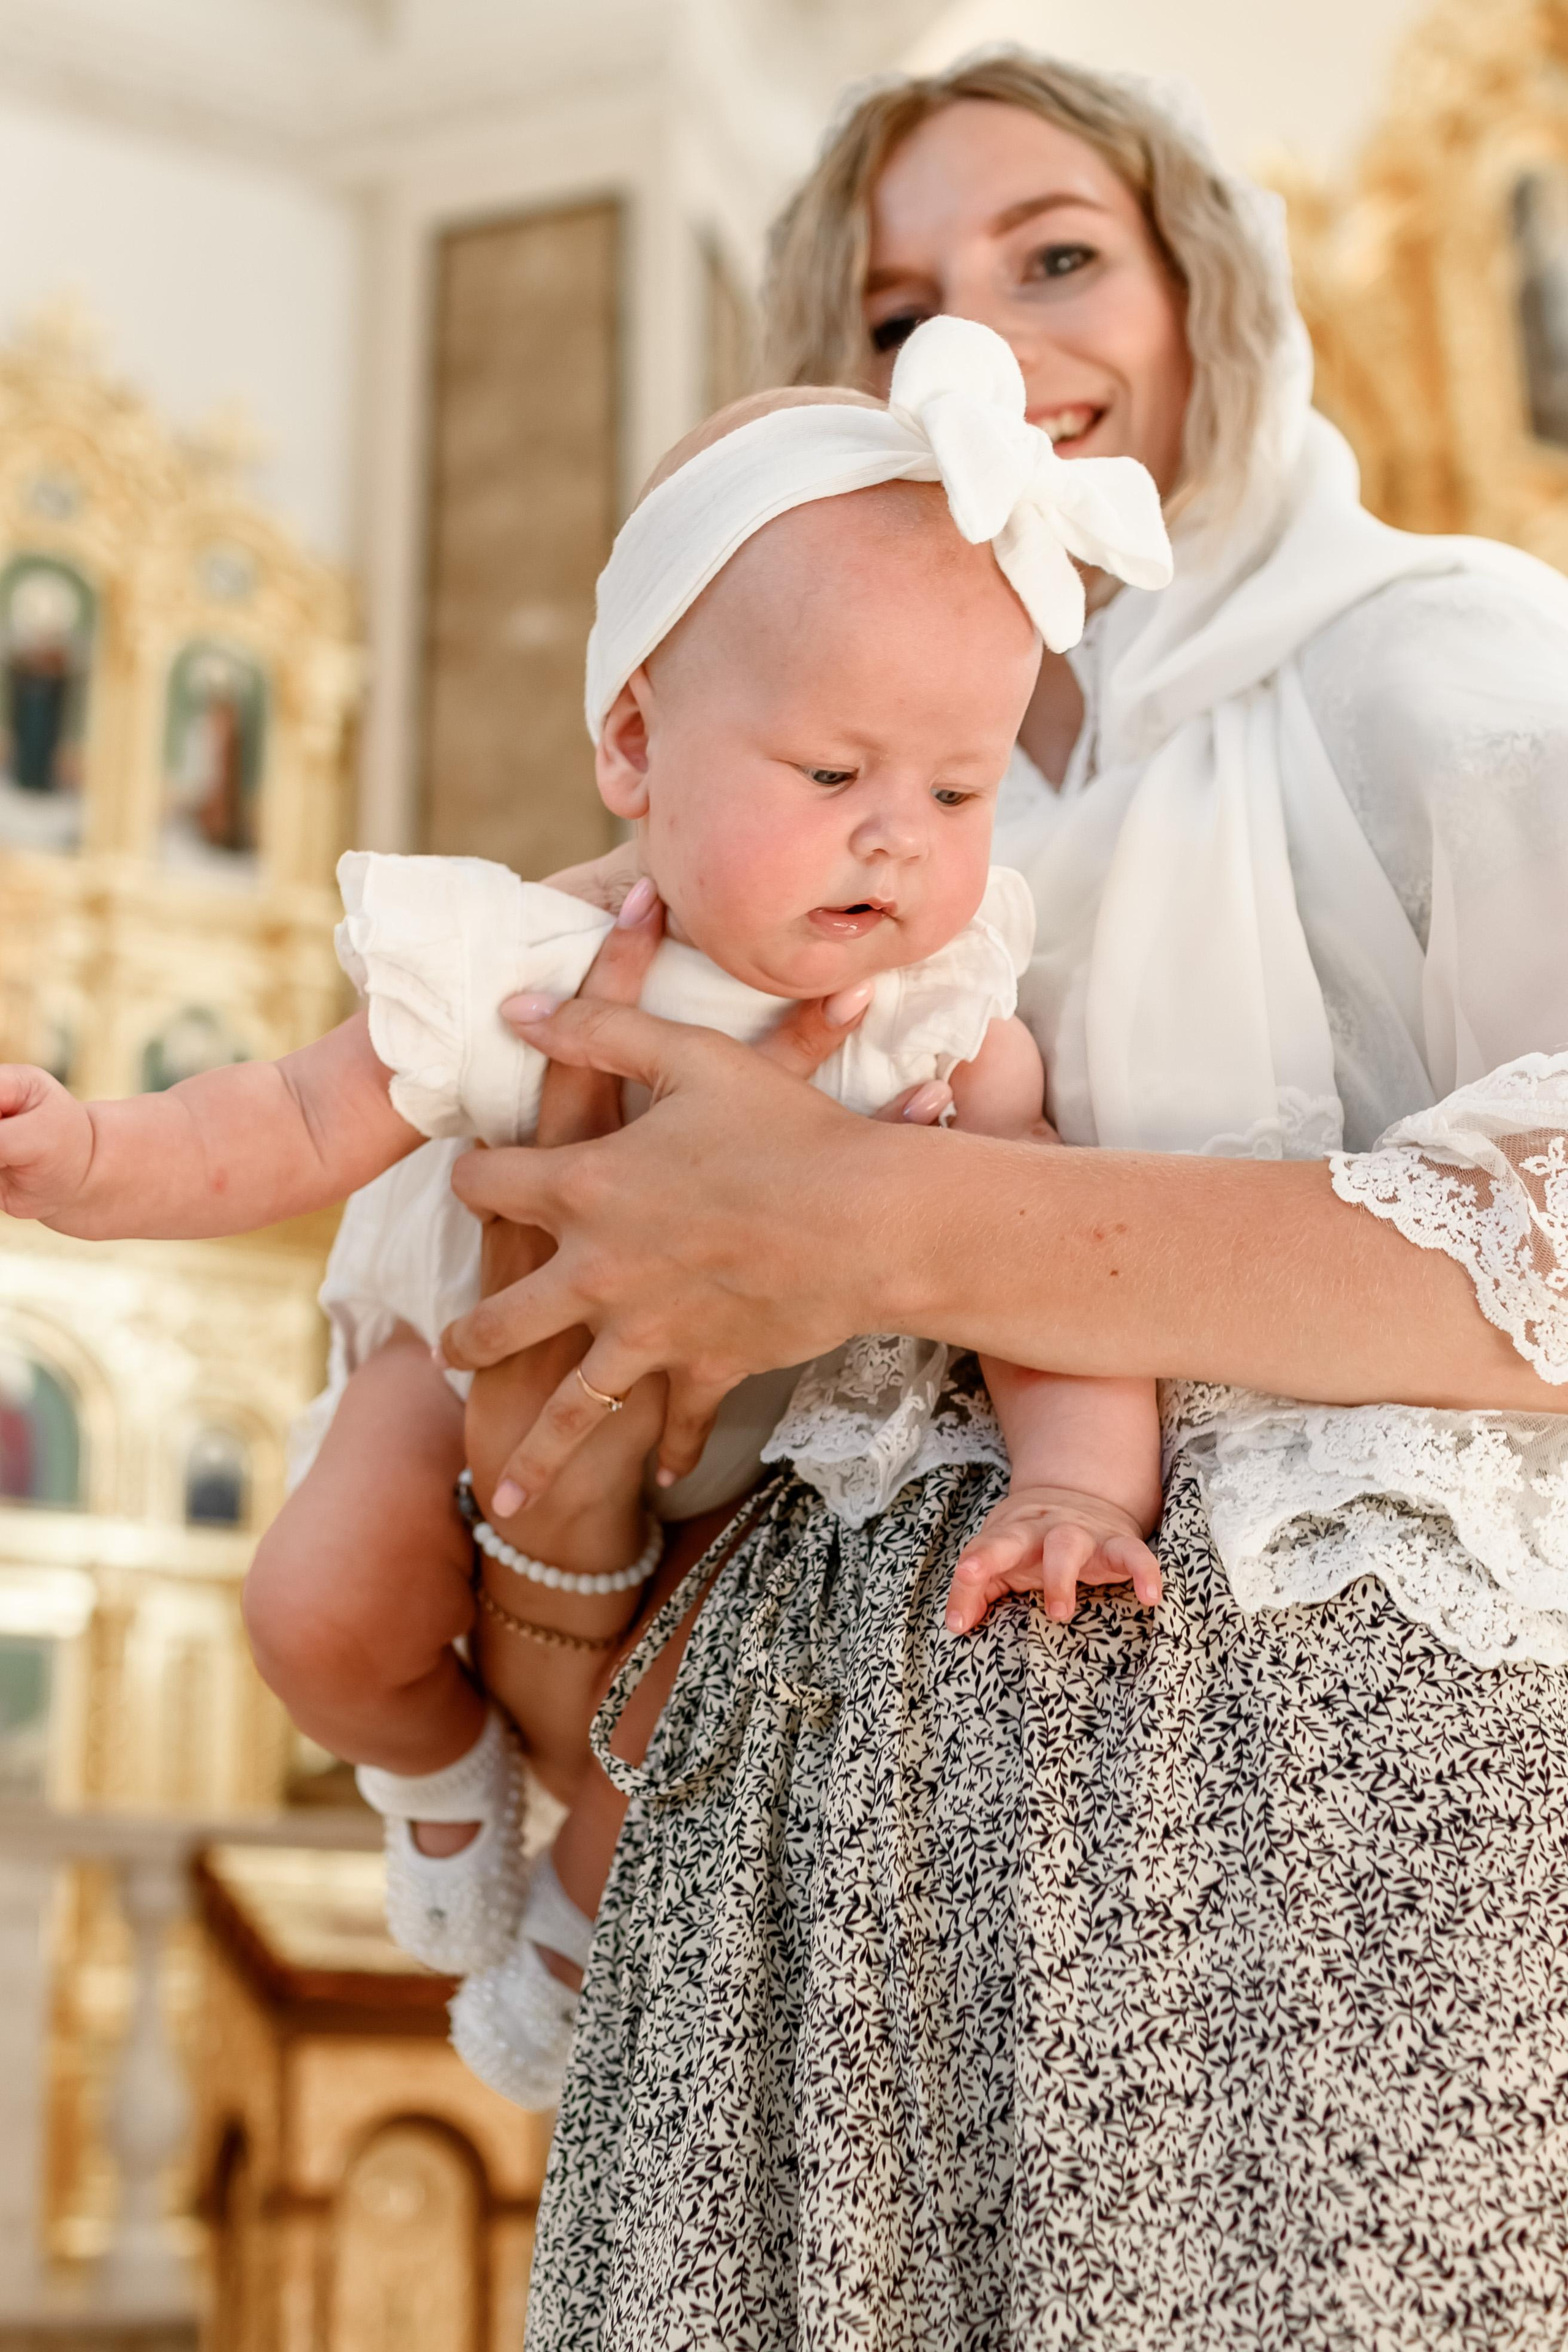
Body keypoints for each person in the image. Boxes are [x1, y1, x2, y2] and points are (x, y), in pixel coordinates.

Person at [433, 55, 1568, 2352]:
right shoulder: (785, 834)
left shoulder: (1442, 663)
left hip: (1315, 1880)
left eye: (1056, 254)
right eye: (890, 310)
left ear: (1206, 296)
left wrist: (882, 1224)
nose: (978, 342)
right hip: (806, 1881)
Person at [0, 320, 1174, 2095]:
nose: (898, 842)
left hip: (763, 1453)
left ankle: (575, 1908)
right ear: (637, 744)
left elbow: (1047, 1278)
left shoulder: (942, 1018)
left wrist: (1079, 1481)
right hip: (471, 1348)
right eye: (835, 775)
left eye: (958, 789)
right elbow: (292, 1114)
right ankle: (433, 1777)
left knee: (731, 1702)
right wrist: (93, 1158)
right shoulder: (522, 959)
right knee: (317, 1605)